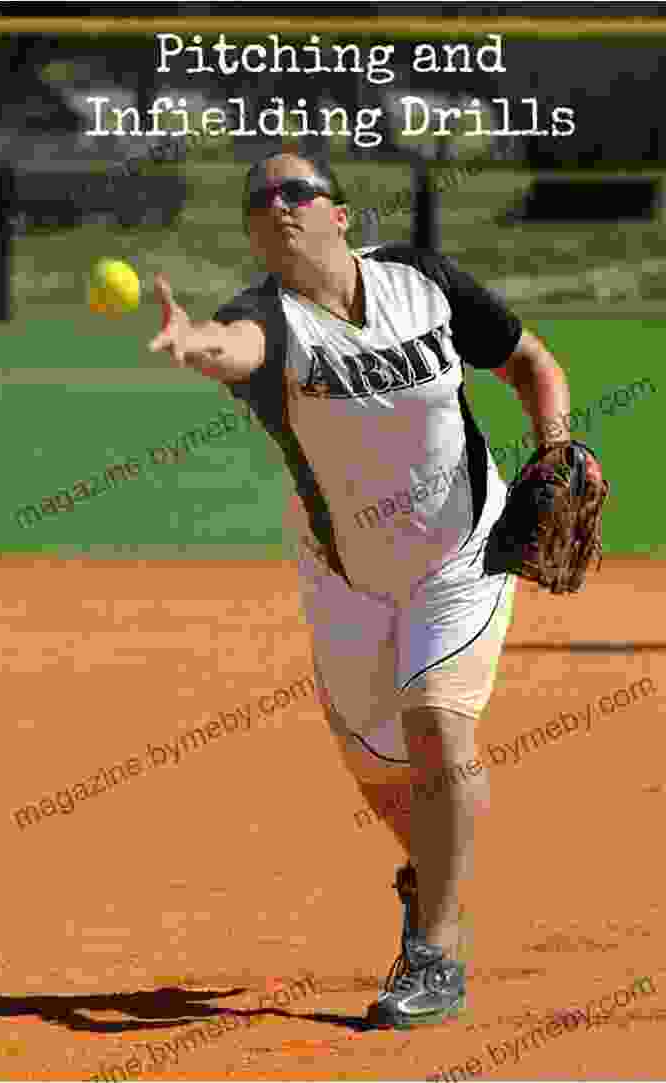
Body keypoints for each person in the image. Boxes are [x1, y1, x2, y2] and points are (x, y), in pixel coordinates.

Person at [148, 150, 571, 1029]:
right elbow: (236, 348)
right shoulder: (266, 320)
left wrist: (557, 442)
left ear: (340, 213)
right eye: (259, 199)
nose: (277, 205)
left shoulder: (421, 279)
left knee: (436, 725)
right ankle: (431, 870)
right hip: (347, 577)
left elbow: (531, 360)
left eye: (295, 190)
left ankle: (435, 952)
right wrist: (193, 345)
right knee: (379, 766)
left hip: (464, 548)